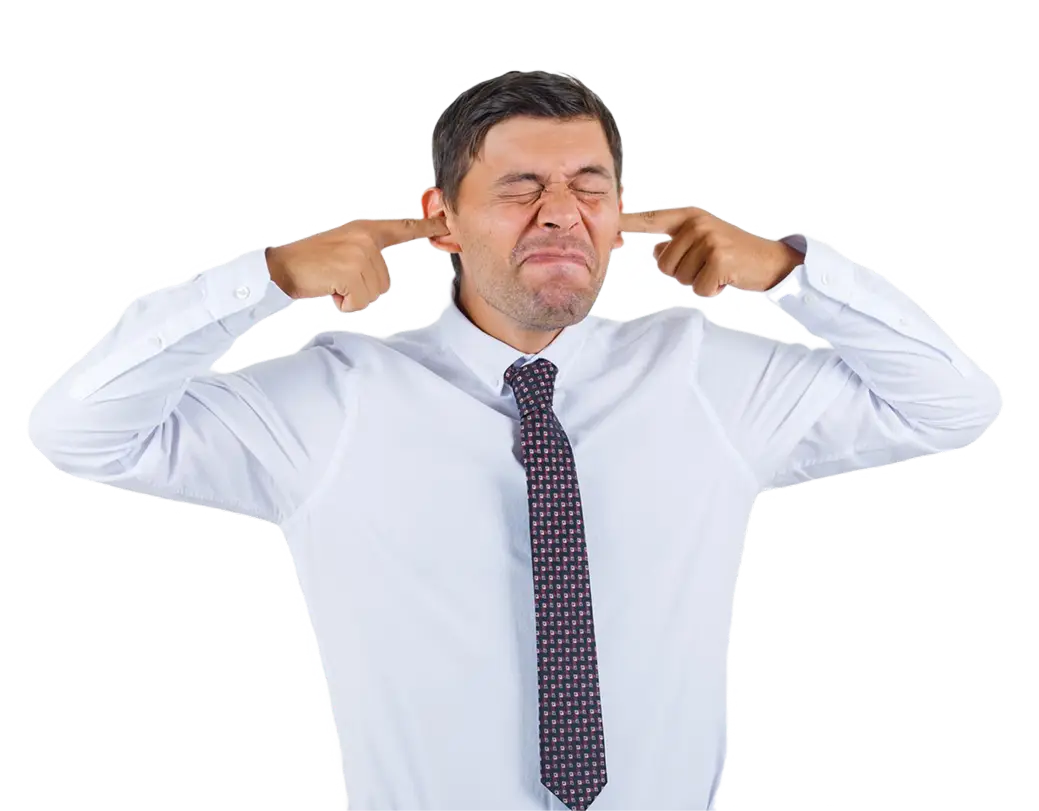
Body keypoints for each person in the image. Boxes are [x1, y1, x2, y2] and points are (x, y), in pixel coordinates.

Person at [24, 69, 1003, 811]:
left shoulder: (707, 376)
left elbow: (955, 403)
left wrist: (790, 272)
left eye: (589, 184)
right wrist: (265, 280)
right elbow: (75, 433)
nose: (561, 214)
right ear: (439, 219)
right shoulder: (335, 401)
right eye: (519, 186)